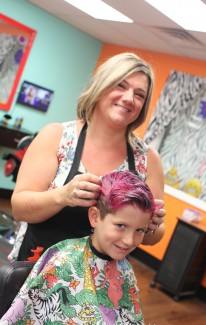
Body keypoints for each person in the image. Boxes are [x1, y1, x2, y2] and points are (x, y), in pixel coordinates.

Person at [10, 52, 165, 262]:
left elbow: (154, 235)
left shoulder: (148, 160)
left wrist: (149, 225)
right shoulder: (56, 137)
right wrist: (63, 196)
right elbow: (19, 209)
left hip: (98, 286)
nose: (129, 98)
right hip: (37, 270)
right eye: (120, 85)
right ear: (101, 86)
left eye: (139, 94)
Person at [0, 171, 156, 325]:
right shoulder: (64, 263)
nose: (129, 240)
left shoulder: (126, 271)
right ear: (95, 217)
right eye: (121, 226)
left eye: (140, 230)